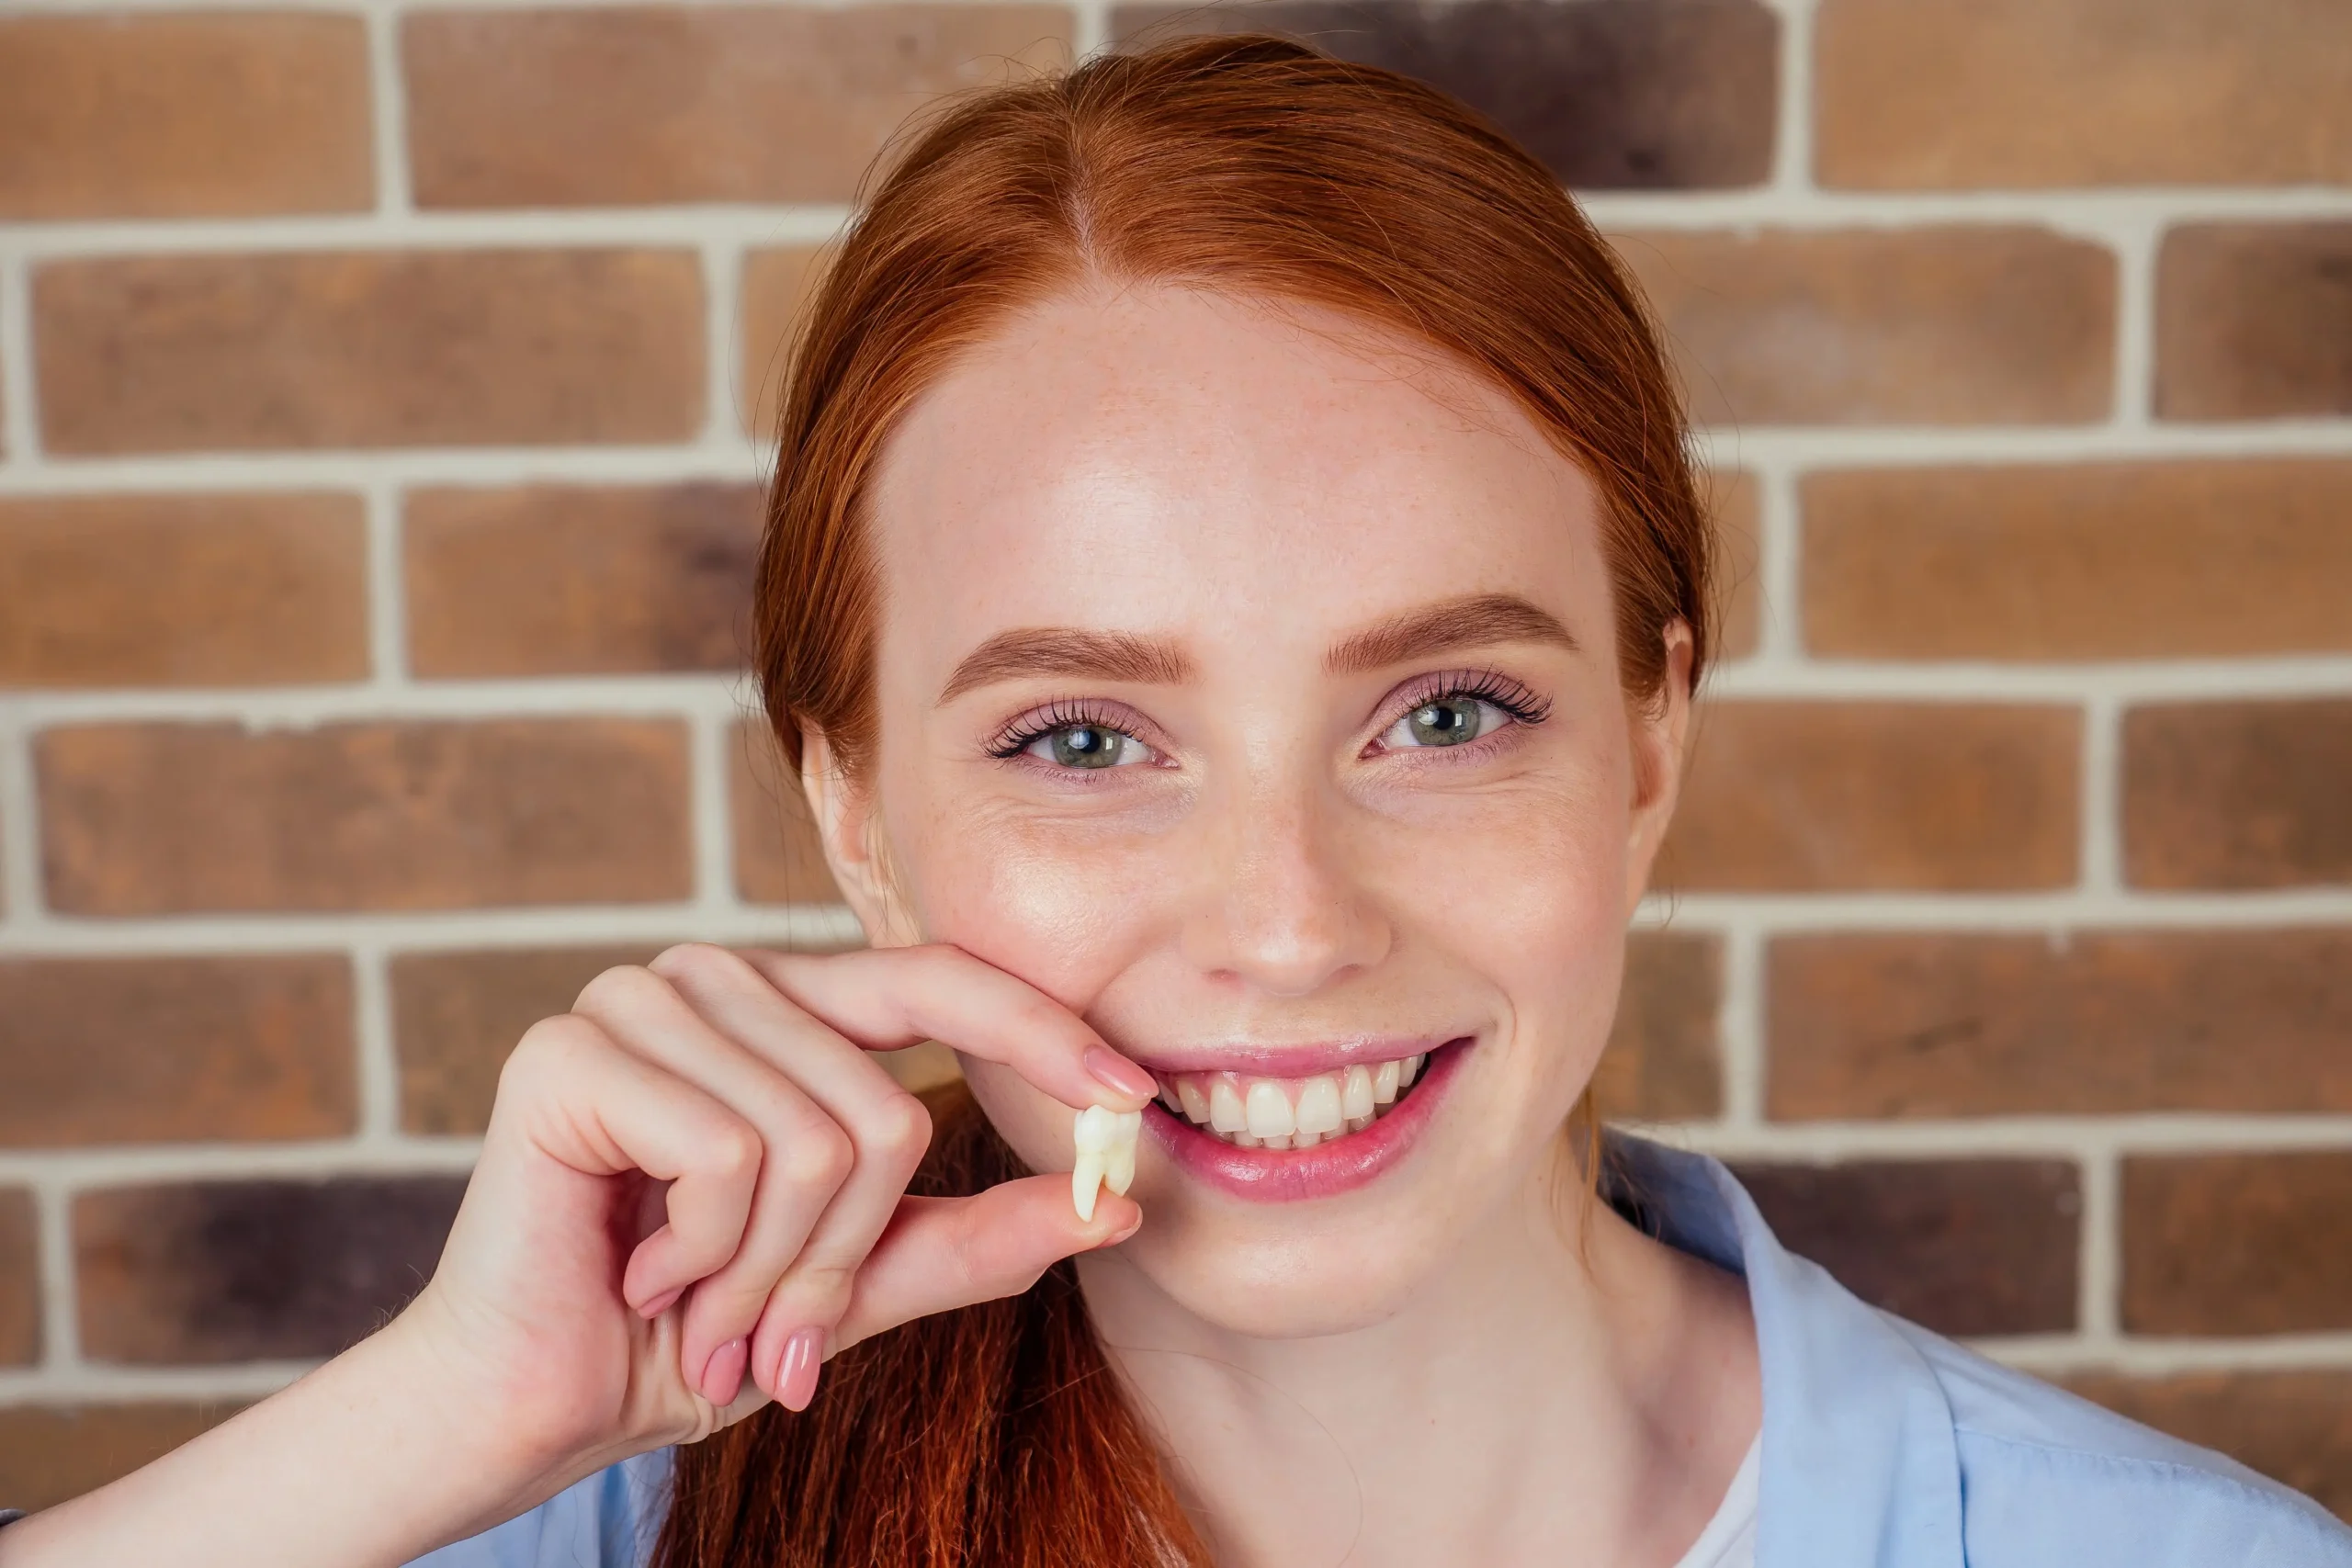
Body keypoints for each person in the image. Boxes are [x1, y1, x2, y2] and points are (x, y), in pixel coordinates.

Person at [1, 35, 2346, 1568]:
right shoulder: (600, 1510)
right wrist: (441, 1418)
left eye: (1440, 712)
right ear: (851, 807)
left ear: (1648, 742)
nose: (1284, 921)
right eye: (1082, 739)